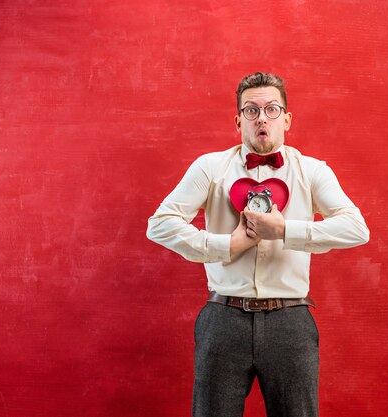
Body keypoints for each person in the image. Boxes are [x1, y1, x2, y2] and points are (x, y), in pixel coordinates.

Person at [146, 72, 369, 417]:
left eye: (271, 109)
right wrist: (226, 245)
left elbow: (356, 228)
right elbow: (159, 225)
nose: (261, 118)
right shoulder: (209, 168)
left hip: (290, 320)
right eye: (251, 111)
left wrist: (285, 231)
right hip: (222, 319)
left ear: (287, 119)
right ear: (238, 121)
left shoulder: (312, 171)